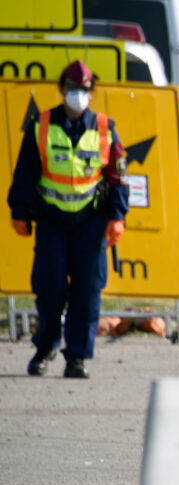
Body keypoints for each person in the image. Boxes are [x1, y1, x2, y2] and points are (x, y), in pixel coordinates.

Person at [7, 60, 129, 379]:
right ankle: (45, 347)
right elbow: (24, 173)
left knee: (88, 292)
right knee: (50, 289)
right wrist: (19, 210)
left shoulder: (105, 128)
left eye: (85, 90)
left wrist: (118, 216)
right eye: (73, 89)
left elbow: (117, 175)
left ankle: (77, 357)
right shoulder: (41, 125)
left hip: (91, 221)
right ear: (61, 89)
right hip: (52, 221)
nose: (79, 95)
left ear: (92, 92)